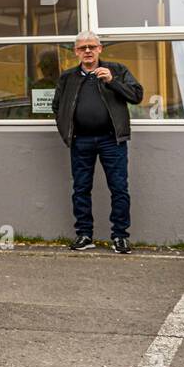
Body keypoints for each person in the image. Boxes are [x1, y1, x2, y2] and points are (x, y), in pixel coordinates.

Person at [51, 31, 143, 253]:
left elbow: (137, 95)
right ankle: (84, 235)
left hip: (112, 140)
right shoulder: (68, 77)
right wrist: (67, 131)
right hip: (81, 141)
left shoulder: (117, 70)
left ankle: (120, 236)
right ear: (76, 52)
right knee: (81, 188)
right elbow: (57, 106)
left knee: (119, 188)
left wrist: (112, 82)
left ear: (100, 48)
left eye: (92, 46)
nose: (88, 51)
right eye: (83, 48)